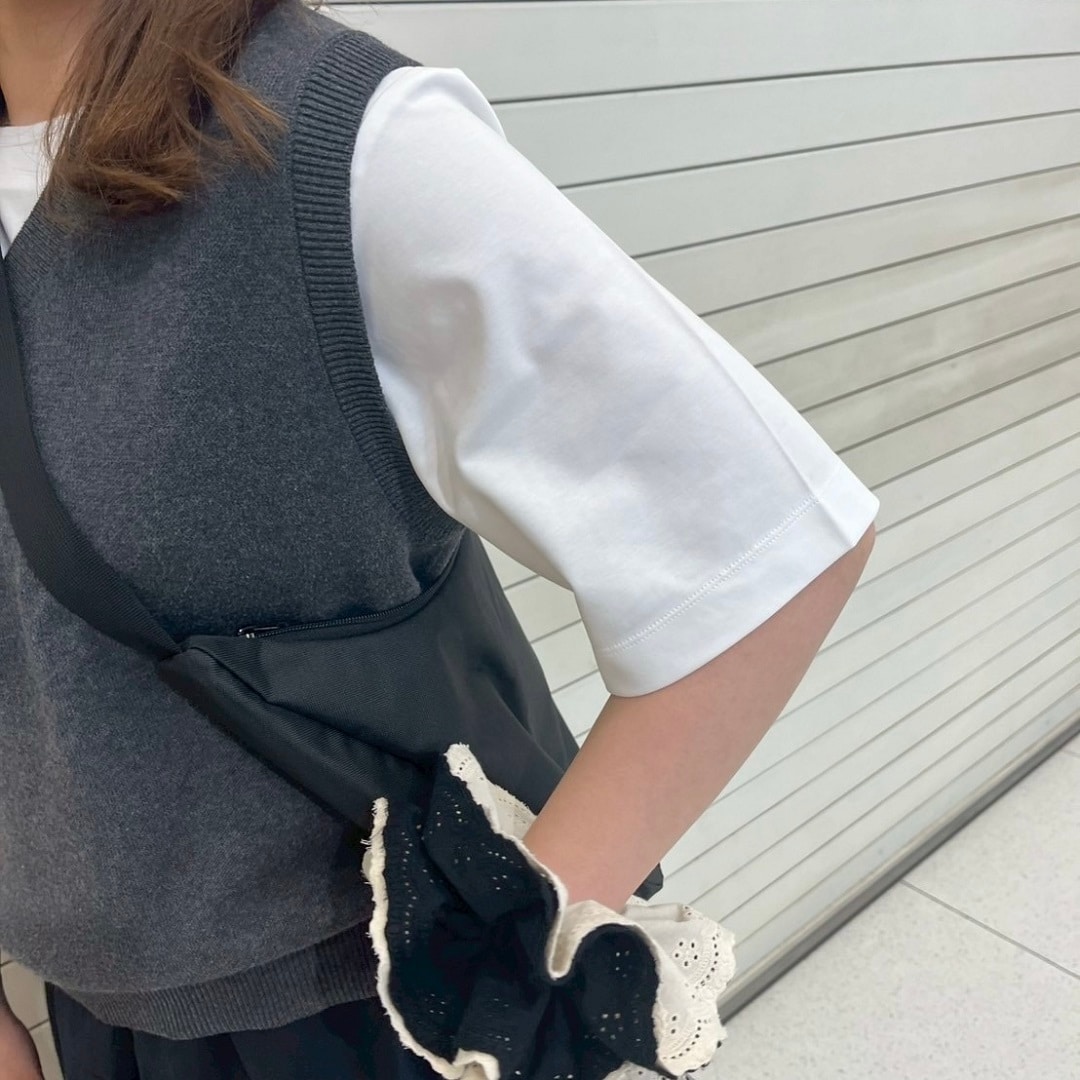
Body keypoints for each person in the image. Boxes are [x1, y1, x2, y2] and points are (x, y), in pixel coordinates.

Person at [0, 0, 880, 1077]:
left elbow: (766, 549)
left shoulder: (342, 144)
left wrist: (511, 995)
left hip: (345, 1013)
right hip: (82, 1005)